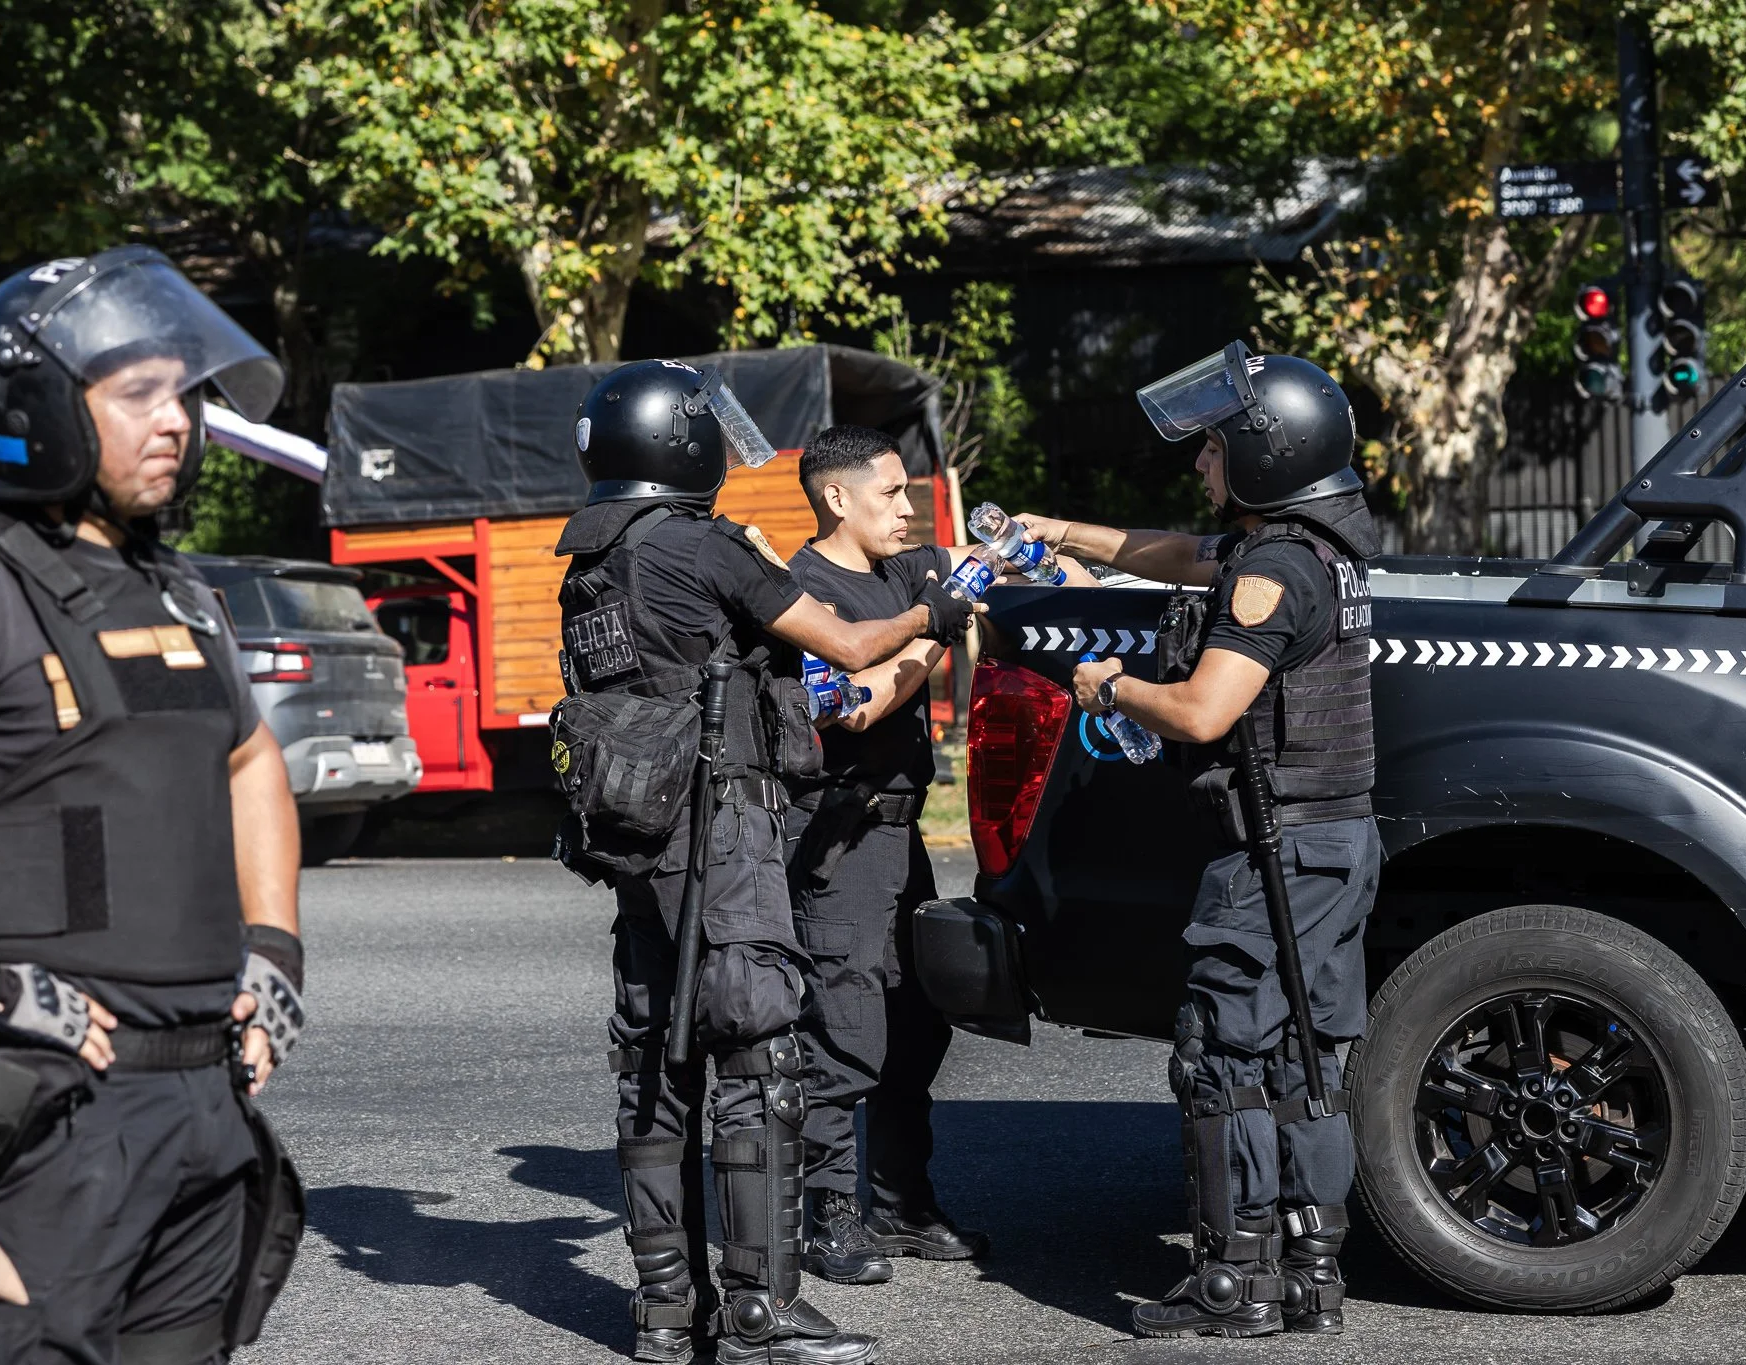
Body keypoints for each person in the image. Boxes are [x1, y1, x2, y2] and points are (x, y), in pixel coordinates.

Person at [0, 246, 306, 1365]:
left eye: (183, 391)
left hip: (201, 1105)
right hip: (47, 1120)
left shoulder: (178, 591)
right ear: (33, 410)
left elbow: (249, 763)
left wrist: (272, 957)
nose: (176, 419)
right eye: (138, 394)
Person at [552, 363, 978, 1365]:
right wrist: (932, 614)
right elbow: (843, 638)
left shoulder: (589, 558)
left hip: (637, 838)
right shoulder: (699, 547)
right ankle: (757, 1314)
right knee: (755, 1058)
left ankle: (664, 1312)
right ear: (680, 444)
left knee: (654, 1068)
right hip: (724, 825)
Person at [1017, 343, 1380, 1339]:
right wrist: (1060, 533)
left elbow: (1204, 711)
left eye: (1215, 445)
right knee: (1308, 1056)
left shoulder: (1268, 573)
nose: (1200, 463)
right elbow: (1173, 554)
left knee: (1223, 1053)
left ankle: (1228, 1283)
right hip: (1332, 839)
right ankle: (1309, 1276)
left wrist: (1109, 685)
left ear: (1266, 456)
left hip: (1273, 853)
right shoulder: (1318, 552)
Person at [782, 425, 1064, 1284]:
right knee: (844, 1027)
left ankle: (900, 1203)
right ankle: (824, 1216)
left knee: (917, 1020)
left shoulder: (902, 569)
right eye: (891, 494)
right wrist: (930, 637)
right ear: (838, 497)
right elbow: (854, 706)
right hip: (839, 835)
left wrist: (1039, 550)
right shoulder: (802, 591)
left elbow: (995, 567)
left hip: (902, 834)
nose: (908, 510)